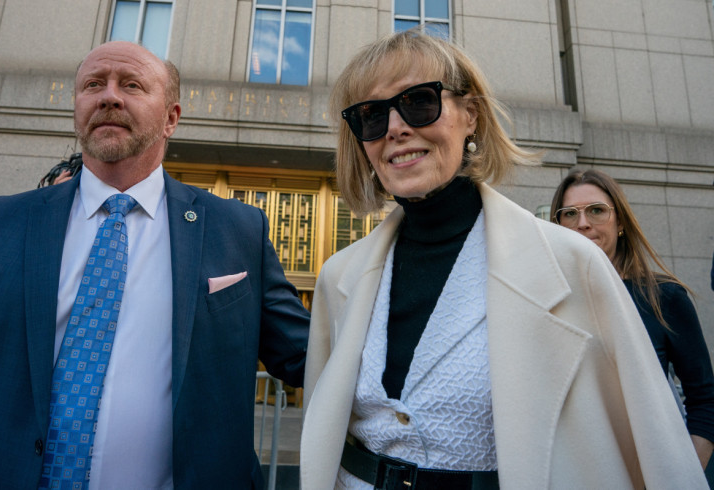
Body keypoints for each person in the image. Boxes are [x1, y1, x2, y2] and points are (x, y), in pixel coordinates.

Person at [299, 30, 707, 489]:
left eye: (418, 101)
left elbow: (651, 448)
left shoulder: (575, 265)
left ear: (470, 115)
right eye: (371, 115)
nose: (395, 128)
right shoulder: (339, 276)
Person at [0, 41, 310, 489]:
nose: (109, 96)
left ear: (171, 117)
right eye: (93, 84)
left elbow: (307, 356)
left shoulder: (235, 230)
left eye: (131, 85)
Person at [550, 169, 714, 471]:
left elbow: (705, 399)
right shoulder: (547, 303)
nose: (583, 223)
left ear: (620, 222)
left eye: (596, 211)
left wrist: (684, 475)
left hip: (648, 471)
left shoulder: (663, 297)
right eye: (569, 214)